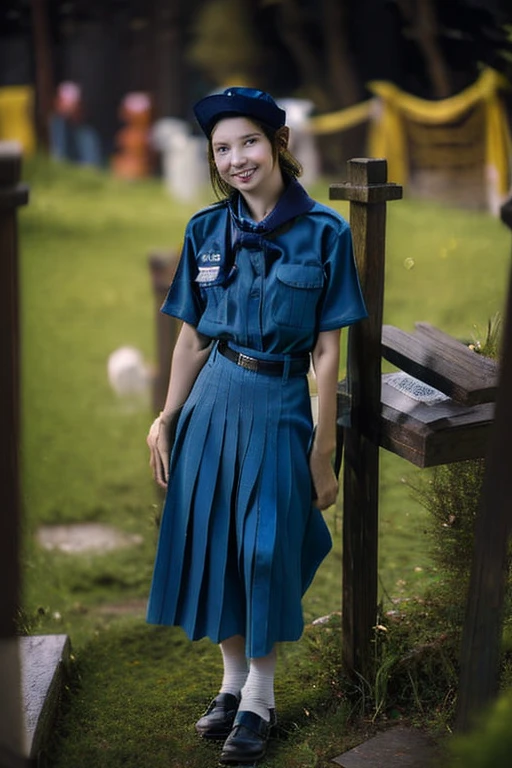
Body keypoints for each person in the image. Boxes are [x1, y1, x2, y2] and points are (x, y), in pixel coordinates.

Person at [145, 87, 367, 765]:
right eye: (222, 148)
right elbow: (189, 339)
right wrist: (166, 414)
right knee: (217, 542)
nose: (236, 159)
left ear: (277, 142)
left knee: (265, 549)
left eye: (248, 142)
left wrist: (323, 449)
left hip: (279, 402)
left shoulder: (325, 232)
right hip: (214, 397)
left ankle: (261, 701)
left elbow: (328, 351)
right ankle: (232, 683)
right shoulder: (205, 232)